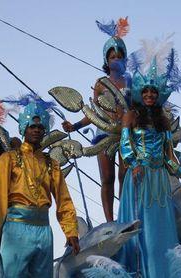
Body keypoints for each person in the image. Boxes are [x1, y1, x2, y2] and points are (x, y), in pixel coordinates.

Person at [117, 43, 181, 277]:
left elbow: (168, 155)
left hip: (159, 181)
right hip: (138, 178)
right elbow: (125, 145)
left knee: (160, 233)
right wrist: (133, 165)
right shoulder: (130, 116)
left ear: (158, 95)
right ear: (140, 93)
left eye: (153, 92)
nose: (150, 95)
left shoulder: (162, 121)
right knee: (141, 232)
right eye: (146, 91)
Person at [0, 101, 80, 278]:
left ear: (45, 130)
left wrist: (71, 231)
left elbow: (64, 200)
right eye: (32, 126)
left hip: (43, 230)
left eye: (40, 127)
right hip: (16, 228)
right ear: (24, 128)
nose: (36, 130)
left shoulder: (52, 164)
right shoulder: (9, 158)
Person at [63, 17, 130, 222]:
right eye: (112, 56)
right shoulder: (100, 83)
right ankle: (110, 221)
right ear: (106, 59)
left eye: (119, 56)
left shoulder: (131, 82)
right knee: (107, 178)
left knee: (125, 178)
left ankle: (126, 215)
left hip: (126, 134)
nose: (116, 59)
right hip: (104, 134)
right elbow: (94, 114)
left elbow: (137, 109)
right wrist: (74, 126)